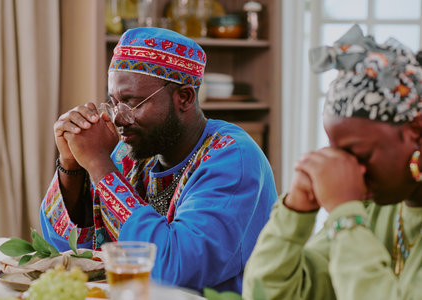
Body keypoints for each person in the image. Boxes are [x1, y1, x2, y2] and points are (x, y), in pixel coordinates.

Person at [40, 27, 277, 293]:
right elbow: (65, 252)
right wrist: (71, 165)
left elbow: (174, 268)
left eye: (133, 103)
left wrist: (98, 166)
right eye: (114, 101)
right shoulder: (132, 152)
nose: (118, 117)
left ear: (184, 97)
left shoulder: (232, 157)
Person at [242, 24, 422, 300]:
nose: (346, 169)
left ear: (417, 132)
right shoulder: (371, 204)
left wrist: (347, 219)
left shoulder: (354, 212)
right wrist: (295, 211)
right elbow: (266, 293)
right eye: (336, 152)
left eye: (360, 154)